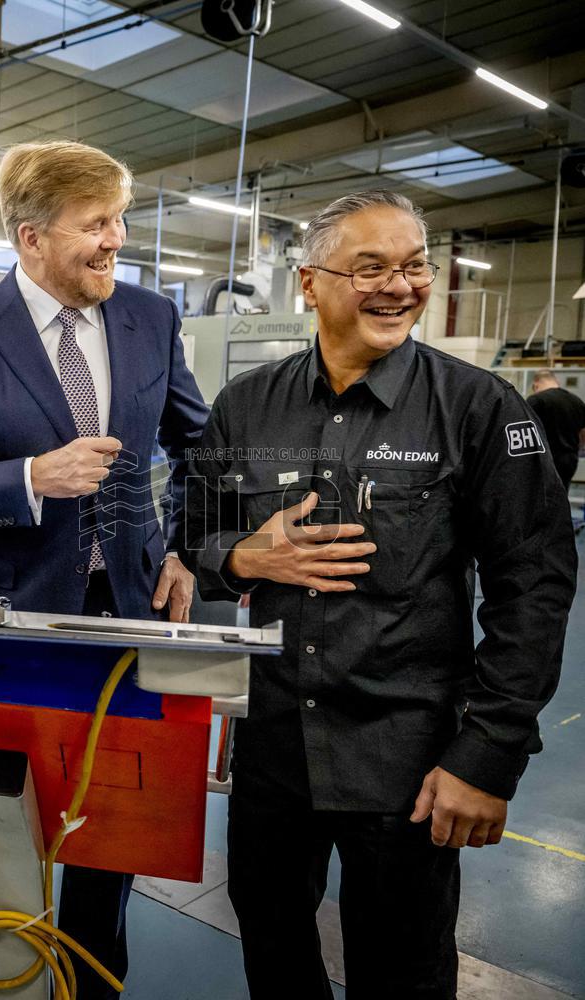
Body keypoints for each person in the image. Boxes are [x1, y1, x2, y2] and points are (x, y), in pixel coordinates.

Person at [183, 191, 577, 999]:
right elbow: (194, 535)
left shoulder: (475, 408)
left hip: (408, 759)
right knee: (273, 945)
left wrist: (488, 754)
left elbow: (531, 585)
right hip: (275, 749)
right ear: (309, 282)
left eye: (414, 266)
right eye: (370, 268)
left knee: (402, 971)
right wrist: (248, 559)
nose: (399, 287)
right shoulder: (245, 407)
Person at [0, 139, 208, 998]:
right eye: (96, 224)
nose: (117, 240)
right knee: (10, 813)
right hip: (9, 612)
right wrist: (31, 477)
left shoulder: (150, 317)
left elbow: (197, 444)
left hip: (127, 607)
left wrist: (182, 548)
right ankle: (18, 971)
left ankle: (91, 980)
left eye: (121, 220)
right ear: (31, 237)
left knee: (113, 825)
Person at [527, 369, 585, 490]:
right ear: (556, 381)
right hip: (569, 461)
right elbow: (583, 434)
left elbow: (525, 432)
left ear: (536, 384)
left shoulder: (536, 400)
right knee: (561, 500)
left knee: (540, 501)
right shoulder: (577, 401)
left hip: (544, 461)